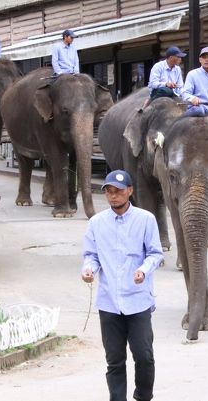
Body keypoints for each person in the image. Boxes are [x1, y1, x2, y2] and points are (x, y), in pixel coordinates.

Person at [81, 169, 163, 401]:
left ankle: (143, 396)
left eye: (118, 191)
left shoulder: (146, 219)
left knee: (144, 355)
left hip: (138, 300)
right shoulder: (97, 223)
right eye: (109, 191)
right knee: (114, 360)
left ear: (129, 191)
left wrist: (143, 270)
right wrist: (88, 269)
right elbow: (91, 255)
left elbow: (155, 254)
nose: (113, 196)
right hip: (109, 302)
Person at [138, 45, 187, 113]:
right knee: (167, 90)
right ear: (171, 57)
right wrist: (166, 84)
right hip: (158, 92)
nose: (180, 59)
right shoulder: (158, 66)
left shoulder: (178, 69)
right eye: (178, 57)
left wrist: (185, 94)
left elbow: (181, 85)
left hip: (173, 93)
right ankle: (150, 102)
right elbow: (152, 83)